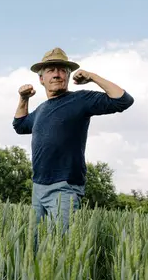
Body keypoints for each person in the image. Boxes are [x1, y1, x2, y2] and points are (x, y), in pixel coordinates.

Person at [12, 47, 134, 243]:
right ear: (41, 79)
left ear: (68, 76)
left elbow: (123, 100)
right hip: (38, 187)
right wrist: (24, 98)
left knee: (59, 249)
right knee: (33, 247)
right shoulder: (41, 110)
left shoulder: (81, 99)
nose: (57, 74)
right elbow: (19, 125)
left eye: (62, 70)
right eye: (51, 70)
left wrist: (92, 77)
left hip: (64, 188)